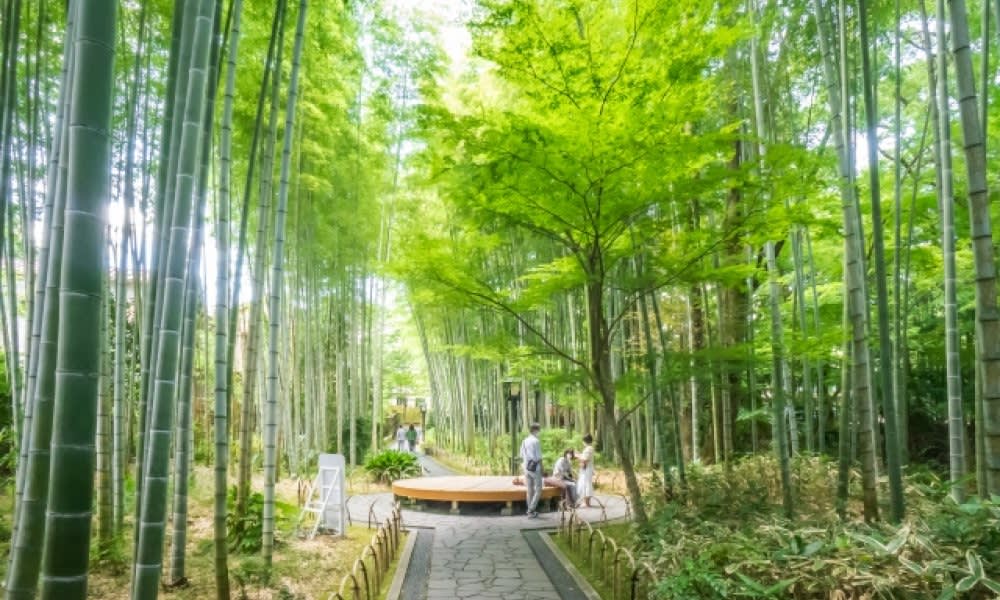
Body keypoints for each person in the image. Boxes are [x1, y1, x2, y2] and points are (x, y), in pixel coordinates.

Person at [519, 422, 543, 518]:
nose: (539, 432)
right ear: (535, 430)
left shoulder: (524, 441)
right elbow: (539, 457)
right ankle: (531, 509)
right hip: (535, 468)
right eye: (538, 430)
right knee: (539, 489)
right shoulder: (536, 441)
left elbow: (521, 455)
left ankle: (530, 511)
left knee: (529, 490)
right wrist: (542, 468)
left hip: (526, 467)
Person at [576, 434, 595, 507]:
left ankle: (586, 502)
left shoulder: (588, 449)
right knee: (586, 484)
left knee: (585, 484)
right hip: (587, 469)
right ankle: (586, 502)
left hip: (586, 469)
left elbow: (585, 459)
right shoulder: (589, 448)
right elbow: (585, 457)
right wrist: (580, 454)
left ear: (585, 441)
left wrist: (577, 456)